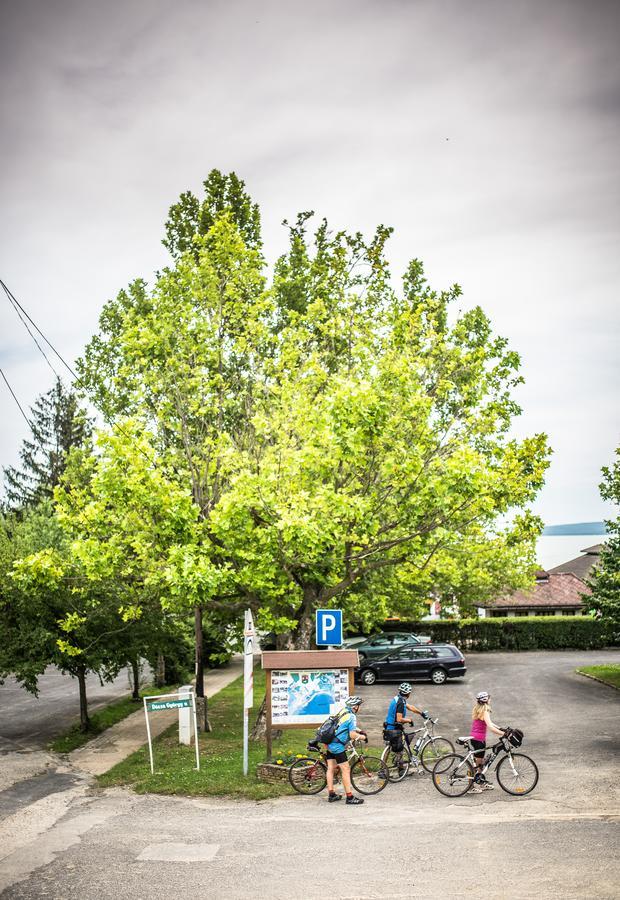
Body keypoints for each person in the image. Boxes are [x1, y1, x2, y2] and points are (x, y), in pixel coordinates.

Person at [325, 695, 367, 805]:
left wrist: (360, 730)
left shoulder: (343, 711)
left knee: (330, 768)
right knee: (346, 769)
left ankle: (331, 794)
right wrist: (363, 737)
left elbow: (343, 725)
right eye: (359, 705)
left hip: (329, 742)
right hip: (337, 746)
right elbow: (352, 734)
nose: (359, 708)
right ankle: (349, 797)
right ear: (355, 707)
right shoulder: (352, 717)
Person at [469, 690, 505, 793]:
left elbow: (491, 723)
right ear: (486, 700)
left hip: (475, 738)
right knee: (478, 765)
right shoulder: (485, 711)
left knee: (480, 763)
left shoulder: (479, 709)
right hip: (479, 739)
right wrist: (503, 734)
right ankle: (471, 786)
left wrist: (502, 729)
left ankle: (481, 782)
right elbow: (490, 726)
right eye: (489, 698)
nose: (490, 699)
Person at [384, 682, 429, 761]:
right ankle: (401, 771)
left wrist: (421, 713)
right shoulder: (400, 703)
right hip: (393, 729)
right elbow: (399, 719)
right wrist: (409, 720)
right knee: (399, 750)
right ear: (408, 693)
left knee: (391, 749)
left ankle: (383, 770)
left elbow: (410, 707)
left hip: (388, 727)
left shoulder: (398, 698)